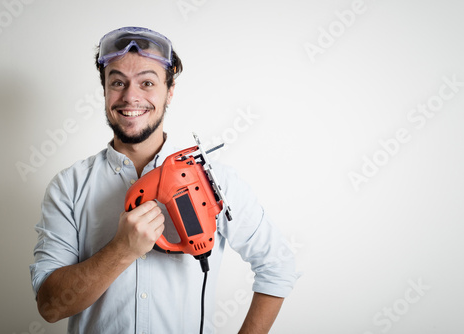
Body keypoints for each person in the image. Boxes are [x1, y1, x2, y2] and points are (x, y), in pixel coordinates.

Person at [30, 26, 299, 334]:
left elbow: (278, 265)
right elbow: (50, 307)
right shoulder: (69, 186)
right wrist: (122, 249)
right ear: (104, 90)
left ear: (170, 91)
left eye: (147, 82)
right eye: (117, 82)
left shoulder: (216, 180)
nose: (131, 96)